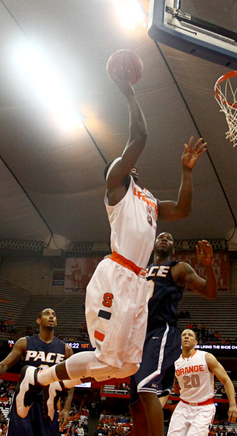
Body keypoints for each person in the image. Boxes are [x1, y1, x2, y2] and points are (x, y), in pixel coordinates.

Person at [15, 62, 207, 419]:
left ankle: (56, 381)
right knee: (107, 358)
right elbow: (140, 139)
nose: (126, 163)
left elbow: (182, 210)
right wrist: (128, 92)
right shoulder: (117, 189)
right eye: (119, 163)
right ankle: (38, 379)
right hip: (116, 276)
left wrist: (186, 172)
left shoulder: (147, 199)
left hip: (139, 281)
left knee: (126, 368)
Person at [130, 232, 217, 436]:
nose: (164, 239)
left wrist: (208, 266)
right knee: (135, 403)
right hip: (137, 336)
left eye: (169, 238)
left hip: (161, 330)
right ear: (152, 245)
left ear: (173, 249)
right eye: (161, 236)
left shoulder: (178, 268)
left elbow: (211, 293)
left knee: (146, 389)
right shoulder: (140, 270)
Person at [0, 308, 74, 436]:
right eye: (47, 314)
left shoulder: (65, 349)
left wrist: (67, 408)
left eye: (54, 315)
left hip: (49, 402)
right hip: (25, 399)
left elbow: (70, 381)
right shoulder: (24, 342)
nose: (51, 317)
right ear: (38, 320)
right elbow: (4, 365)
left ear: (56, 322)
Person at [167, 329, 237, 436]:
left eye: (190, 335)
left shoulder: (206, 357)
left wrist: (232, 405)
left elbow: (226, 380)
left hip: (204, 407)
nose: (186, 337)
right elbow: (166, 386)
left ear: (196, 342)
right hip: (183, 406)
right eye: (183, 335)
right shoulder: (174, 362)